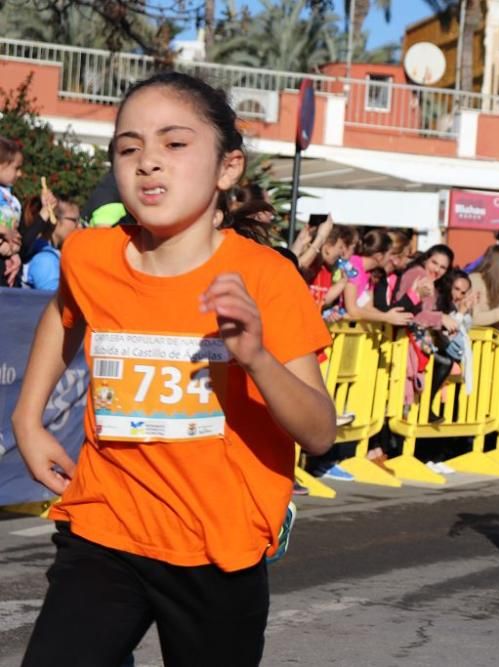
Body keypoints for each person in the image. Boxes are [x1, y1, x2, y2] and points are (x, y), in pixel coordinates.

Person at [12, 72, 338, 666]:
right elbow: (64, 316)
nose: (148, 163)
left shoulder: (265, 278)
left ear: (228, 168)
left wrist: (257, 358)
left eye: (175, 144)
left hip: (220, 548)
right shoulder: (90, 254)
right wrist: (27, 419)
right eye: (129, 147)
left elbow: (319, 431)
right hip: (104, 528)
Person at [23, 198, 81, 291]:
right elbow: (53, 300)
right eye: (74, 220)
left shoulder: (51, 255)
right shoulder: (45, 260)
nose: (79, 226)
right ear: (54, 220)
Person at [0, 135, 24, 286]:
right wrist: (4, 231)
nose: (20, 174)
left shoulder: (10, 198)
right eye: (16, 168)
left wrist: (14, 253)